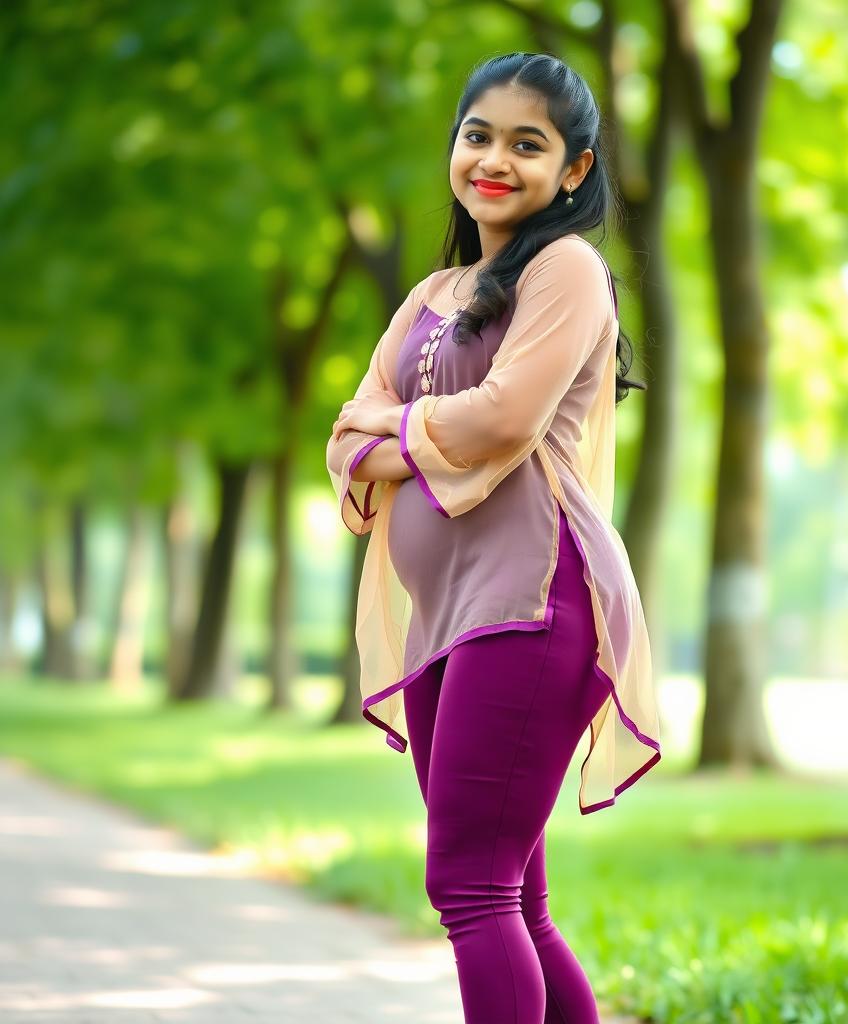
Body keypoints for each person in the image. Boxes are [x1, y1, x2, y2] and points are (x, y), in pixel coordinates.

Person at [326, 51, 662, 1024]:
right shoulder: (432, 289)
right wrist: (393, 438)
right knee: (510, 896)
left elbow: (504, 418)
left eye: (528, 143)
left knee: (471, 885)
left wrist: (386, 438)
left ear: (574, 170)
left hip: (533, 602)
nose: (495, 159)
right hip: (446, 617)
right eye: (479, 135)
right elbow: (342, 438)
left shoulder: (565, 269)